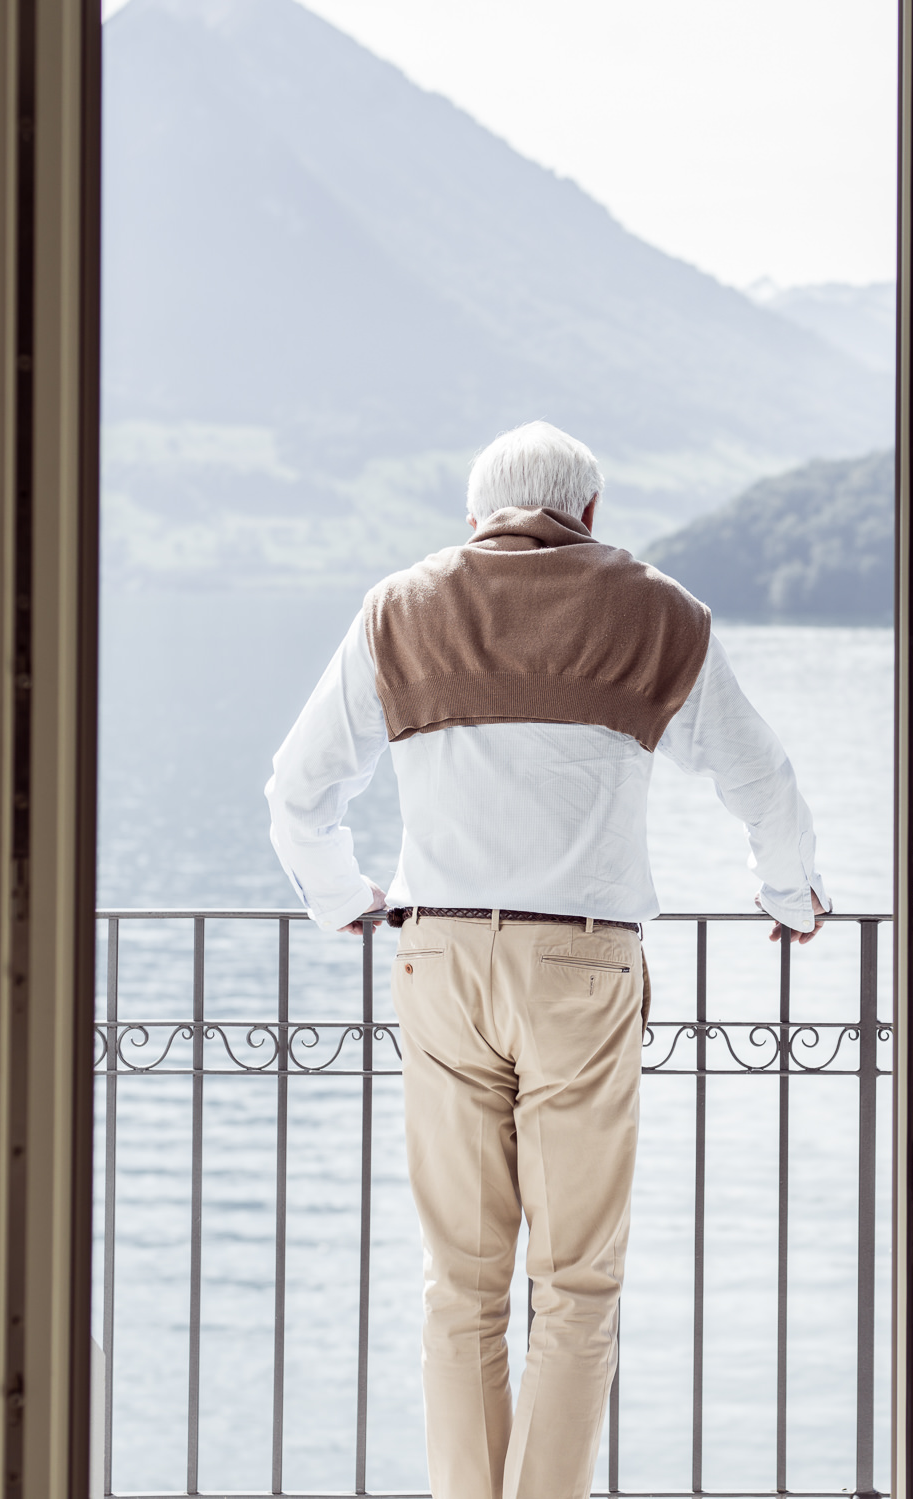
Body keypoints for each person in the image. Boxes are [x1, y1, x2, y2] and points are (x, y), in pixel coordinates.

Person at [265, 420, 829, 1499]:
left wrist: (343, 898)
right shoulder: (657, 611)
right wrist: (786, 891)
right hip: (581, 968)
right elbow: (762, 777)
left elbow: (297, 789)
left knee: (460, 1282)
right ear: (589, 513)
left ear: (476, 515)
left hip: (437, 960)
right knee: (571, 1284)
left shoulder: (400, 608)